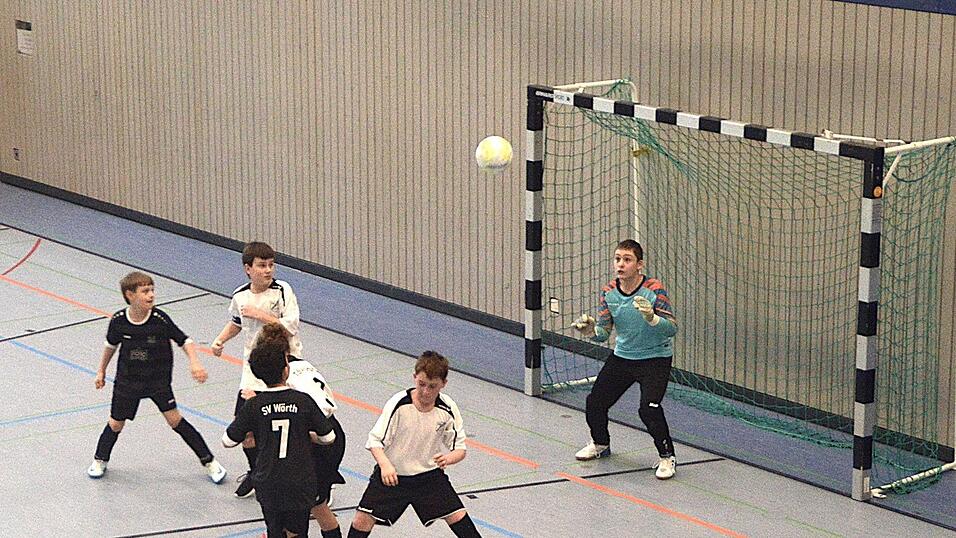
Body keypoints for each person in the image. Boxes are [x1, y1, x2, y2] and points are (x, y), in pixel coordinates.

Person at [87, 271, 227, 484]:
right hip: (128, 381)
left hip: (157, 381)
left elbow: (185, 341)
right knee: (115, 424)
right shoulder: (118, 321)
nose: (151, 295)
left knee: (175, 420)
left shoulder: (160, 319)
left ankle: (210, 462)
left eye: (152, 290)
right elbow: (110, 346)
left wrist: (195, 362)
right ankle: (100, 460)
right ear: (130, 295)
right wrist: (101, 371)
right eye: (145, 291)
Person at [571, 239, 680, 479]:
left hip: (655, 359)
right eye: (618, 259)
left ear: (639, 265)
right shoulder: (609, 291)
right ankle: (600, 444)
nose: (620, 264)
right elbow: (603, 332)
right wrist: (589, 331)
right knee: (595, 402)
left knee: (648, 409)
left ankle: (667, 456)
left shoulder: (654, 289)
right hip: (623, 357)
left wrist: (652, 318)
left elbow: (672, 328)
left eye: (627, 260)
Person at [347, 351, 481, 538]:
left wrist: (449, 458)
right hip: (392, 476)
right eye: (421, 384)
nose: (426, 391)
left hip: (429, 477)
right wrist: (385, 465)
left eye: (432, 386)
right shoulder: (399, 404)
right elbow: (375, 441)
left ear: (444, 384)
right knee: (361, 520)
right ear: (414, 377)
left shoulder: (447, 407)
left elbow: (460, 449)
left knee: (458, 517)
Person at [211, 241, 302, 498]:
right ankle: (257, 473)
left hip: (284, 366)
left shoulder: (282, 290)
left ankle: (294, 476)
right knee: (246, 431)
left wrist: (260, 314)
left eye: (271, 265)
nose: (268, 270)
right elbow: (236, 322)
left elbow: (291, 326)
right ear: (248, 269)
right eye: (262, 265)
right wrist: (220, 340)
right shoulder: (240, 296)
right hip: (253, 370)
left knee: (287, 426)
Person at [223, 343, 336, 538]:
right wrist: (303, 434)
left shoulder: (254, 405)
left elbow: (228, 440)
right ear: (286, 370)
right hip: (300, 482)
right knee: (296, 532)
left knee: (275, 530)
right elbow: (328, 437)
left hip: (268, 481)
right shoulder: (303, 400)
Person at [250, 322, 346, 538]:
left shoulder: (284, 381)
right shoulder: (304, 365)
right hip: (334, 430)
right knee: (313, 504)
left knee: (310, 505)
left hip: (319, 438)